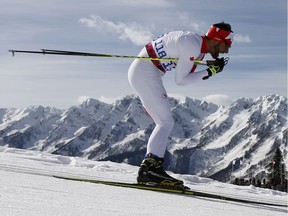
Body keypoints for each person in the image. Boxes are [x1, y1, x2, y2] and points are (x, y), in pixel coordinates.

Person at [128, 22, 234, 186]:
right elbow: (181, 80)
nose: (226, 51)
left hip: (146, 71)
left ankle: (151, 168)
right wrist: (209, 71)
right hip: (145, 72)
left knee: (163, 122)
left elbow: (186, 73)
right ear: (216, 39)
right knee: (165, 122)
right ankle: (149, 170)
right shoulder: (192, 45)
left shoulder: (196, 48)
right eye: (226, 45)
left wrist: (207, 68)